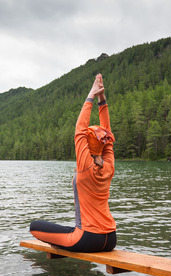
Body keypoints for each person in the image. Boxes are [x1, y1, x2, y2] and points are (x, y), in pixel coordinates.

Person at [30, 74, 117, 253]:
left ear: (86, 143)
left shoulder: (86, 166)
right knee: (70, 230)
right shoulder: (108, 166)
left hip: (88, 239)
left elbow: (80, 129)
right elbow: (106, 131)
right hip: (110, 238)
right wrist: (102, 100)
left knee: (34, 226)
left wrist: (91, 95)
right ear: (104, 143)